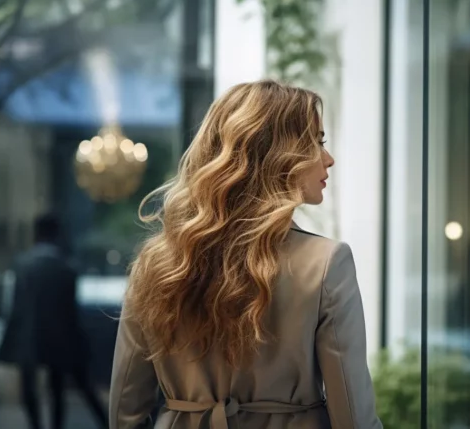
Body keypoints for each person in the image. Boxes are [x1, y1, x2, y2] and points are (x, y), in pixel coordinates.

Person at [109, 80, 382, 429]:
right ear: (276, 154)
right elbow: (353, 416)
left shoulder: (157, 263)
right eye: (316, 142)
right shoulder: (327, 263)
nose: (328, 159)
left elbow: (124, 412)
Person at [0, 214, 108, 429]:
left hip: (29, 334)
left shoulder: (23, 266)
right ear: (57, 234)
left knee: (28, 385)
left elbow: (16, 305)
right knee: (58, 386)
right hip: (59, 335)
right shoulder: (65, 269)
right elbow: (69, 310)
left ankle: (35, 425)